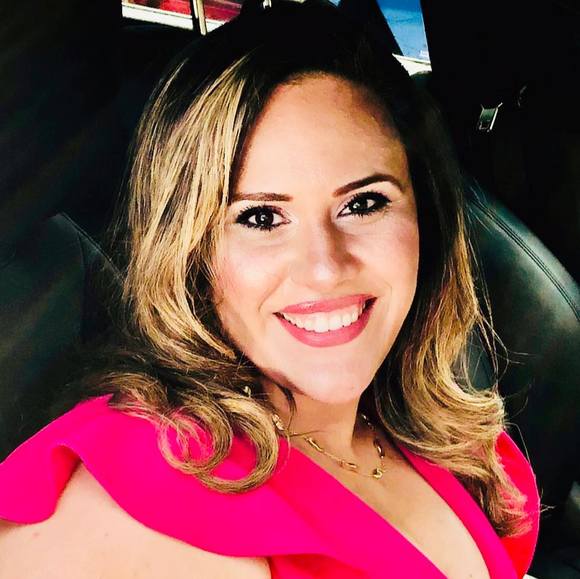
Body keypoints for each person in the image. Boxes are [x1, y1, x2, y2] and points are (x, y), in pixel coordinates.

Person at [0, 1, 539, 577]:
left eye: (363, 204)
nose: (324, 269)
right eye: (260, 218)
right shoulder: (147, 507)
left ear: (425, 218)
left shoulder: (453, 441)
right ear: (189, 250)